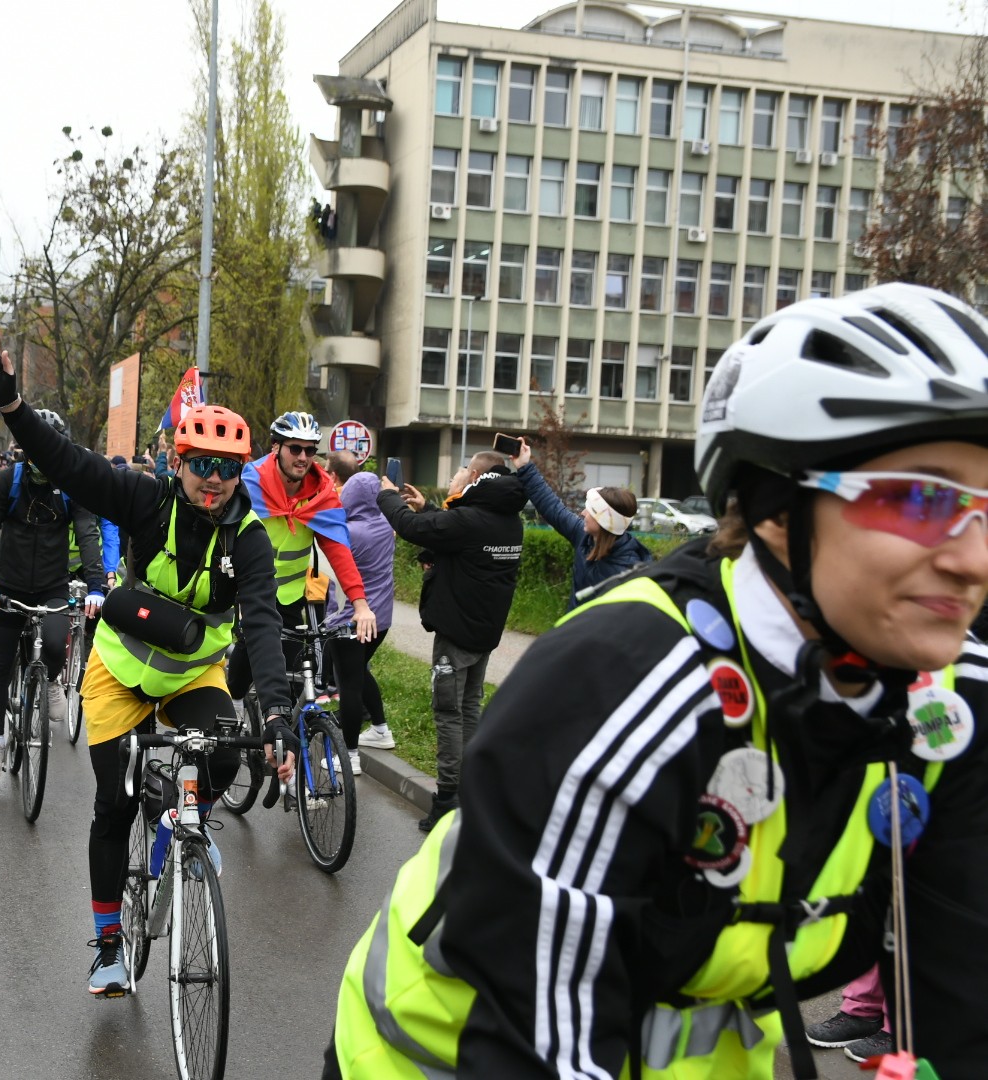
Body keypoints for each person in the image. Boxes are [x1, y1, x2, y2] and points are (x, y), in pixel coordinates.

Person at [328, 282, 988, 1078]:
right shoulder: (625, 683)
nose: (972, 557)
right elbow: (539, 1038)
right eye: (921, 499)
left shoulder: (952, 706)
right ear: (778, 504)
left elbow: (963, 999)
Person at [0, 337, 295, 998]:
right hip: (119, 669)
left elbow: (261, 622)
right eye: (200, 462)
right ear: (178, 460)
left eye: (227, 467)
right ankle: (110, 947)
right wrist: (9, 400)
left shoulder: (250, 539)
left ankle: (177, 821)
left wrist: (279, 712)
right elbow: (66, 461)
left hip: (193, 673)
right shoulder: (147, 500)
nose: (213, 478)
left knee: (225, 753)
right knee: (112, 805)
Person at [376, 450, 525, 831]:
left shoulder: (471, 519)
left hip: (456, 635)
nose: (455, 478)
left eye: (460, 472)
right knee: (470, 707)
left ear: (474, 475)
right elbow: (451, 534)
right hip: (483, 634)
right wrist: (428, 508)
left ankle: (446, 800)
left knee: (448, 713)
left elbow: (413, 529)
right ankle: (469, 791)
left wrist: (388, 495)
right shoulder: (508, 519)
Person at [0, 408, 106, 778]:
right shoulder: (7, 481)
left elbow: (88, 534)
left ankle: (49, 682)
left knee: (56, 641)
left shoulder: (69, 489)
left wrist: (97, 585)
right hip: (8, 588)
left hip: (52, 587)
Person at [229, 411, 376, 718]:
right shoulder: (250, 483)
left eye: (310, 450)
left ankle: (293, 748)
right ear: (276, 448)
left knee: (295, 674)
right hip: (250, 591)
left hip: (292, 595)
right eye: (295, 448)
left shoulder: (321, 493)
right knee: (246, 654)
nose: (303, 457)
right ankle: (236, 702)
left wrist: (360, 603)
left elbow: (338, 550)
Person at [512, 437, 653, 606]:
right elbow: (553, 507)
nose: (582, 512)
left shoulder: (626, 572)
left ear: (605, 522)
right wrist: (524, 467)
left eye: (591, 510)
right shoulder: (585, 538)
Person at [323, 453, 396, 774]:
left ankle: (348, 755)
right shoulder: (386, 525)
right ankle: (380, 730)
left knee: (348, 684)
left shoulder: (349, 533)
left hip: (350, 621)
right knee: (361, 672)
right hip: (382, 619)